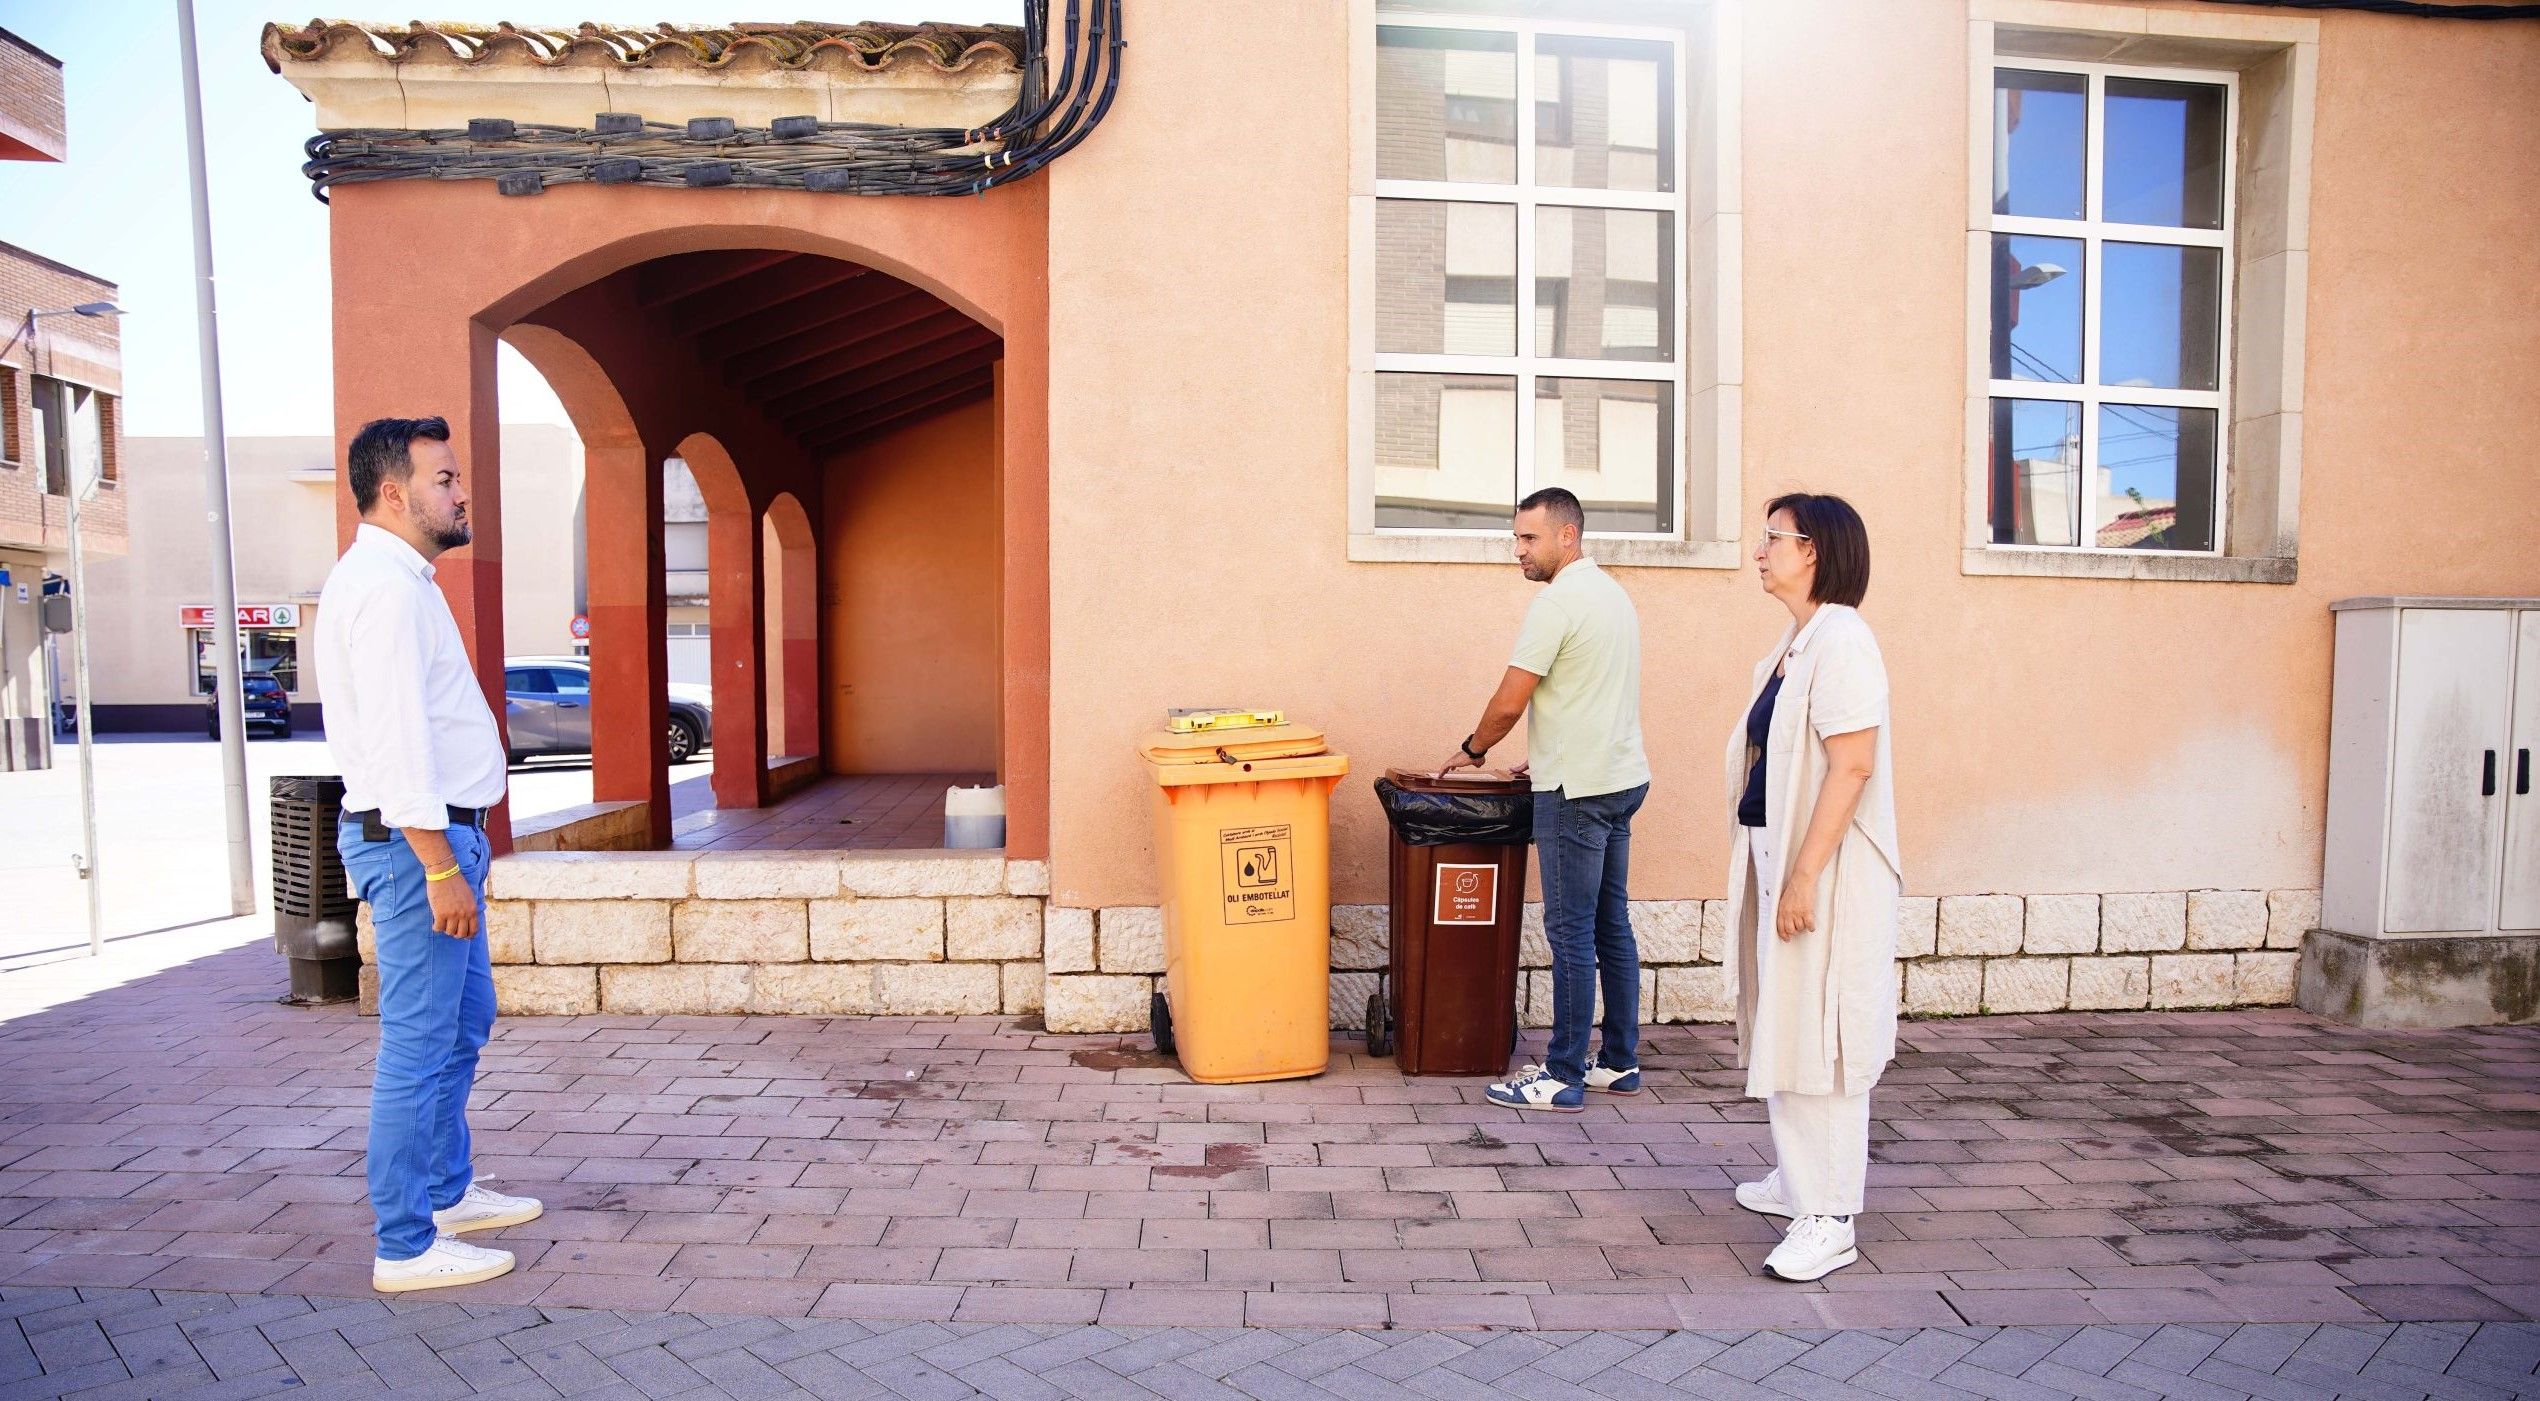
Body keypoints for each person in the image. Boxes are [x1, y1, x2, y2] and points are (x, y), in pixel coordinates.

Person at [317, 416, 543, 1293]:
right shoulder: (382, 587)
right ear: (393, 493)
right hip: (422, 845)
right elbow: (397, 737)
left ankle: (445, 1193)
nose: (460, 493)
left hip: (443, 837)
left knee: (463, 1021)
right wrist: (439, 863)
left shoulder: (400, 579)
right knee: (417, 1044)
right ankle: (404, 1242)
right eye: (445, 479)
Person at [1722, 493, 1899, 1283]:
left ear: (1814, 551)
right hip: (1782, 858)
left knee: (1823, 1033)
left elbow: (1852, 765)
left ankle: (1830, 1215)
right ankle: (1800, 1180)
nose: (1760, 551)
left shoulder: (1845, 642)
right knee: (1786, 1018)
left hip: (1825, 871)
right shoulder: (1797, 643)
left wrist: (1803, 874)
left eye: (1773, 539)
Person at [1444, 487, 1650, 1112]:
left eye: (1529, 539)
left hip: (1576, 792)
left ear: (1567, 536)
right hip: (1620, 777)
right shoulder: (1612, 596)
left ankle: (1561, 1074)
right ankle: (1618, 1061)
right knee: (1611, 925)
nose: (1519, 552)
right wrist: (1551, 744)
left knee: (1569, 930)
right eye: (1517, 539)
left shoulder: (1556, 603)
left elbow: (1512, 698)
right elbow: (1593, 690)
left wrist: (1473, 748)